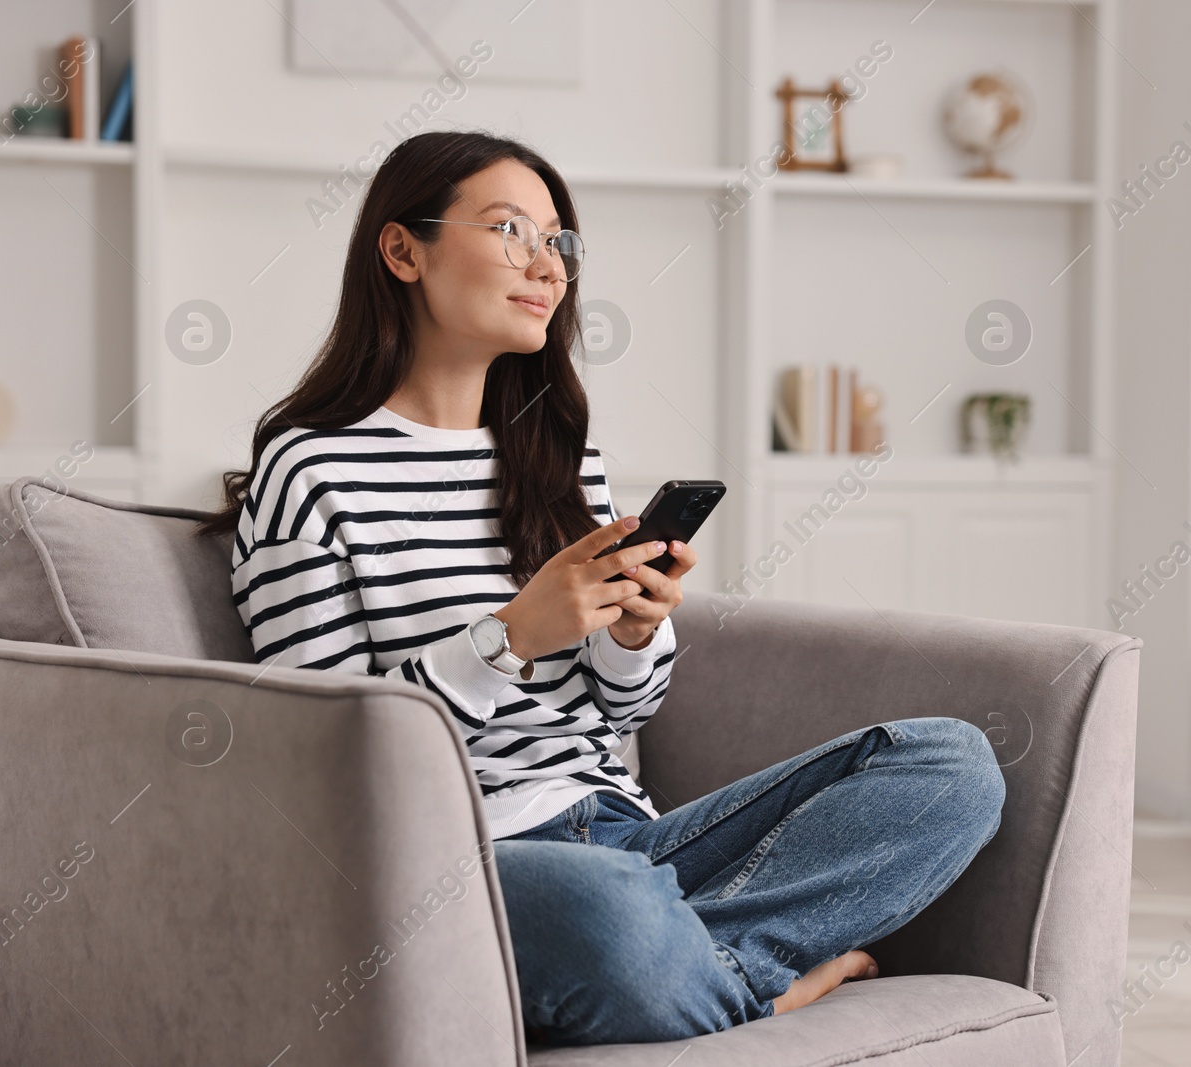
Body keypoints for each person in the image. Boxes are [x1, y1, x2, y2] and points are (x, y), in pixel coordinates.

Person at [200, 130, 1005, 1046]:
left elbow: (624, 714)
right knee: (609, 908)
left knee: (950, 765)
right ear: (402, 250)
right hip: (466, 859)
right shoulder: (309, 469)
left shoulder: (561, 456)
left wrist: (630, 637)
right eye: (512, 230)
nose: (548, 265)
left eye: (560, 242)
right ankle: (751, 985)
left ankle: (700, 971)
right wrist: (508, 637)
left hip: (634, 839)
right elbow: (324, 760)